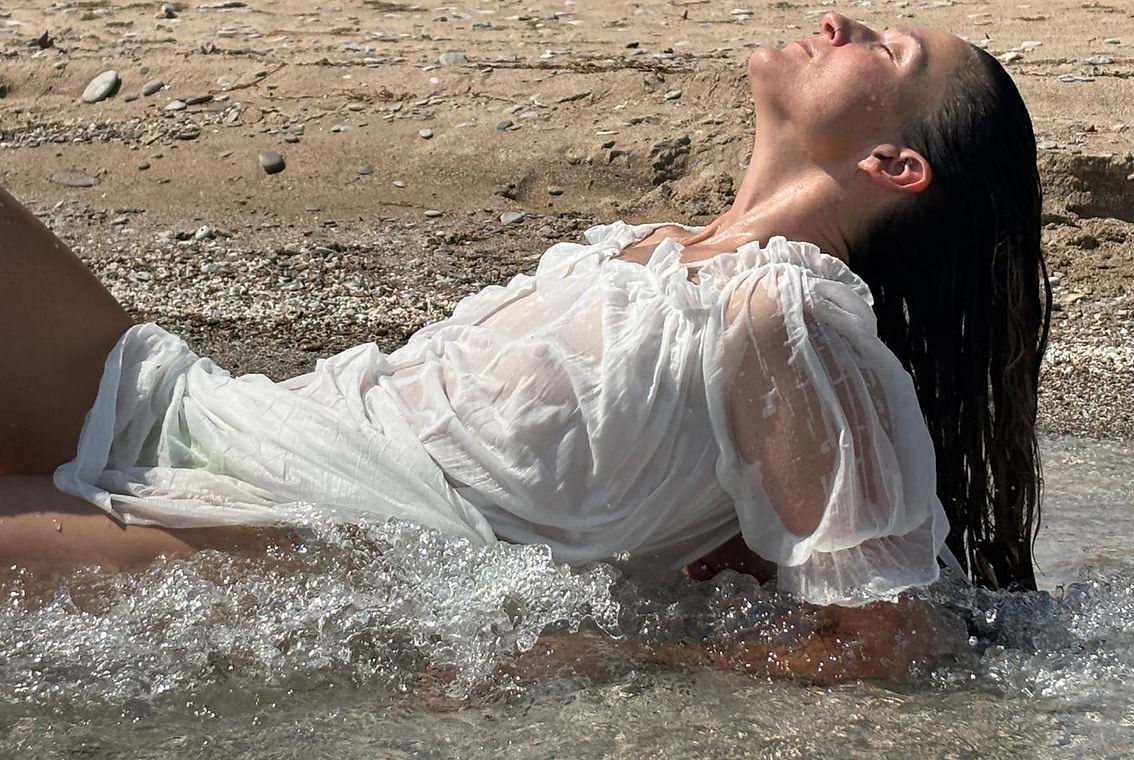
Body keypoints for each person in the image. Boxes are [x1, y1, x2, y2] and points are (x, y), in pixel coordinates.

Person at [0, 12, 1050, 664]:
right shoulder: (659, 247)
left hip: (294, 536)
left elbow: (887, 641)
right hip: (215, 420)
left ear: (892, 164)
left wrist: (617, 656)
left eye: (883, 47)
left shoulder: (793, 313)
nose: (837, 22)